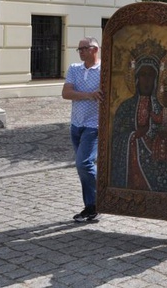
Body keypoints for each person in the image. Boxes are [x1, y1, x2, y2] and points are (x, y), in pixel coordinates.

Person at [111, 39, 167, 193]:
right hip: (131, 160)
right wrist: (133, 136)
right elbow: (114, 137)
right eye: (143, 75)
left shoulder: (163, 107)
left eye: (151, 75)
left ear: (156, 80)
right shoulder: (126, 107)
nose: (147, 80)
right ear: (136, 78)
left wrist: (165, 136)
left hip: (158, 158)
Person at [62, 37, 102, 222]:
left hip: (93, 125)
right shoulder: (74, 69)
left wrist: (86, 95)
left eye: (84, 48)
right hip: (76, 125)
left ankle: (97, 203)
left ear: (95, 49)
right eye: (79, 49)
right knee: (83, 167)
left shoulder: (104, 71)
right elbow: (66, 93)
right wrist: (89, 95)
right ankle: (91, 205)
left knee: (83, 164)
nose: (81, 52)